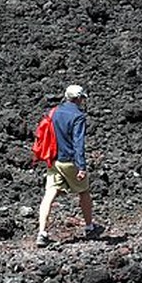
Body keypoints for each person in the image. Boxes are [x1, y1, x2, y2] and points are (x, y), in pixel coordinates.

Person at [37, 84, 105, 247]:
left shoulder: (54, 112)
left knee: (49, 194)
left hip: (53, 160)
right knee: (84, 192)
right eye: (82, 98)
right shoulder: (78, 116)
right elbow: (78, 143)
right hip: (69, 161)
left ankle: (42, 232)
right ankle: (89, 228)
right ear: (78, 99)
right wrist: (81, 166)